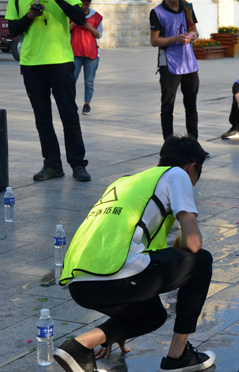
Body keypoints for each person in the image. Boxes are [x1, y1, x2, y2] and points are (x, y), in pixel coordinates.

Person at [53, 135, 216, 372]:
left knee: (152, 315)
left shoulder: (128, 181)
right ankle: (177, 356)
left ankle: (79, 346)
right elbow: (193, 244)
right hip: (114, 275)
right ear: (193, 168)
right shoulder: (178, 175)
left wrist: (120, 327)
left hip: (81, 284)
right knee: (202, 262)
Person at [6, 0, 92, 182]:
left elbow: (80, 18)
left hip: (60, 61)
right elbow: (13, 29)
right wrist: (29, 16)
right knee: (42, 117)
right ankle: (52, 164)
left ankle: (78, 164)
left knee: (69, 115)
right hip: (31, 63)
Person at [150, 0, 200, 140]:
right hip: (169, 65)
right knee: (168, 106)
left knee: (191, 106)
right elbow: (154, 40)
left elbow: (194, 30)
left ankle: (193, 143)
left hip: (189, 63)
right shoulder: (158, 12)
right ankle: (169, 145)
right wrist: (176, 39)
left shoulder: (187, 7)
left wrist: (194, 36)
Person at [70, 0, 103, 116]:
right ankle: (71, 103)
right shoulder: (72, 14)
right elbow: (64, 31)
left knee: (89, 81)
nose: (84, 7)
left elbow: (99, 34)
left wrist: (88, 26)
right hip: (75, 53)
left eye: (86, 5)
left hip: (91, 54)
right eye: (82, 4)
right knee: (71, 79)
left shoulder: (96, 16)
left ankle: (87, 104)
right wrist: (74, 24)